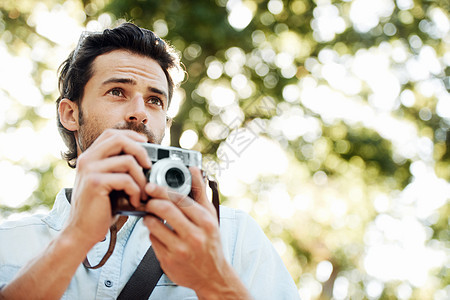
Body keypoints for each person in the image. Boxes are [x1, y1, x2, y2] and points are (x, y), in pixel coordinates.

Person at [0, 22, 299, 299]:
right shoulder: (8, 244)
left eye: (155, 100)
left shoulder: (233, 237)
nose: (140, 111)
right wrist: (75, 239)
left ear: (165, 123)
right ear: (71, 114)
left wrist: (215, 280)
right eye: (117, 91)